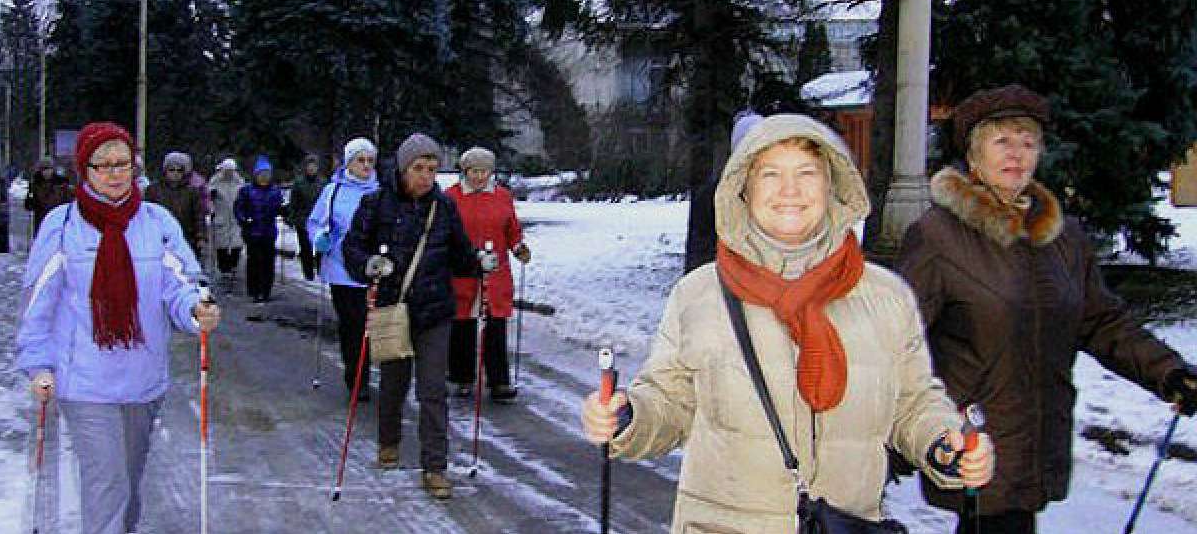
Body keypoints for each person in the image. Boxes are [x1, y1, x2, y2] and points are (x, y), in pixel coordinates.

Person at [581, 114, 994, 533]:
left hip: (841, 525)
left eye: (807, 173)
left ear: (832, 186)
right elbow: (670, 400)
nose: (789, 190)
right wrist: (629, 417)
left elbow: (912, 402)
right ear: (744, 188)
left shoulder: (885, 297)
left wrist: (946, 444)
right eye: (770, 174)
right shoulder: (700, 295)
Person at [896, 84, 1197, 534]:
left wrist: (1168, 372)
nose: (1016, 154)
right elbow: (898, 339)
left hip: (1039, 436)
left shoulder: (1063, 237)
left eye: (1028, 142)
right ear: (974, 157)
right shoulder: (938, 236)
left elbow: (1101, 321)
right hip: (975, 443)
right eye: (1002, 142)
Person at [15, 122, 220, 534]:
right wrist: (38, 365)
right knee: (106, 483)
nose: (114, 173)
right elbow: (38, 304)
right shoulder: (62, 226)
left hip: (143, 378)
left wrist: (195, 308)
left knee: (128, 481)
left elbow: (179, 284)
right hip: (84, 381)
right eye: (102, 165)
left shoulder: (155, 222)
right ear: (84, 170)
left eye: (122, 163)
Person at [342, 132, 491, 499]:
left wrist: (478, 263)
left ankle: (435, 467)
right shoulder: (376, 203)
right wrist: (369, 264)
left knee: (432, 390)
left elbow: (458, 254)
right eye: (419, 168)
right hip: (394, 308)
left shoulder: (443, 208)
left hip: (435, 310)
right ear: (403, 168)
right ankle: (389, 440)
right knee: (393, 383)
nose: (426, 176)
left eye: (432, 169)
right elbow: (352, 247)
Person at [445, 146, 531, 402]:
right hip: (463, 270)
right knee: (463, 324)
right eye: (474, 171)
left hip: (496, 272)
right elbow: (445, 231)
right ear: (465, 171)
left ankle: (499, 381)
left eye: (484, 172)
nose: (480, 177)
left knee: (495, 325)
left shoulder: (502, 196)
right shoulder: (451, 197)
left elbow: (512, 229)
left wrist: (518, 247)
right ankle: (462, 376)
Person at [306, 139, 380, 400]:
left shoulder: (381, 191)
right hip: (340, 268)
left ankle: (365, 371)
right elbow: (315, 223)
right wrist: (319, 239)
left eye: (370, 160)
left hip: (373, 268)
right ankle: (356, 379)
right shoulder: (333, 191)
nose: (366, 166)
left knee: (371, 326)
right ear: (349, 162)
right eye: (361, 160)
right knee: (353, 325)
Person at [234, 156, 285, 303]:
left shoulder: (275, 191)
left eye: (267, 175)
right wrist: (244, 219)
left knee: (268, 262)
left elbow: (279, 208)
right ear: (255, 175)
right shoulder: (246, 190)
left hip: (269, 232)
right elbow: (238, 208)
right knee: (255, 261)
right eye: (261, 175)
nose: (264, 178)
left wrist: (283, 210)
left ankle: (266, 290)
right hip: (252, 231)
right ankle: (254, 290)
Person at [144, 151, 207, 259]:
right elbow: (146, 214)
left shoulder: (192, 192)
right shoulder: (153, 190)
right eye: (171, 170)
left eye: (179, 170)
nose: (175, 173)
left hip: (186, 238)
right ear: (165, 171)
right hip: (160, 238)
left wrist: (201, 237)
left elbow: (199, 216)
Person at [289, 154, 327, 282]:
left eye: (314, 166)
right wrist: (292, 217)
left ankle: (322, 271)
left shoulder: (323, 183)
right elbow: (293, 203)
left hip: (320, 221)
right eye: (309, 166)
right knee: (306, 249)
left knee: (321, 247)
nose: (311, 168)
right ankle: (308, 273)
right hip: (303, 220)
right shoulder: (299, 183)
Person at [208, 158, 246, 285]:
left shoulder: (239, 181)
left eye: (231, 170)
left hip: (236, 217)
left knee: (237, 242)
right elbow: (208, 197)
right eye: (227, 170)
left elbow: (244, 196)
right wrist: (211, 203)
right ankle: (224, 268)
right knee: (222, 243)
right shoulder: (215, 181)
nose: (229, 173)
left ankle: (234, 264)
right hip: (221, 215)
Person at [25, 157, 73, 236]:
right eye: (43, 169)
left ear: (52, 169)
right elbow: (28, 205)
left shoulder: (61, 183)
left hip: (57, 219)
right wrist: (31, 196)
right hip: (41, 220)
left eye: (48, 169)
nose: (46, 172)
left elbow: (68, 201)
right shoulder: (36, 184)